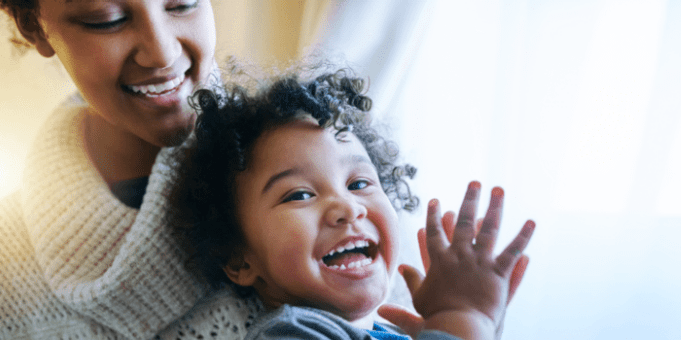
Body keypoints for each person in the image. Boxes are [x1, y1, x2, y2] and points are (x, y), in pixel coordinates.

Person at [170, 68, 536, 339]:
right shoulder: (289, 334)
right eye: (300, 195)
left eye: (359, 183)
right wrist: (459, 316)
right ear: (239, 259)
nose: (347, 207)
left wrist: (483, 322)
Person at [0, 1, 260, 339]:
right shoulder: (8, 267)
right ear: (33, 26)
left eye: (183, 4)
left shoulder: (325, 182)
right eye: (107, 20)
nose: (162, 54)